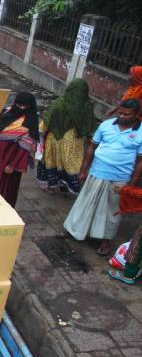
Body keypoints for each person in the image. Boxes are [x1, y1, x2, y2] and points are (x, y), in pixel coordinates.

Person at [64, 99, 142, 256]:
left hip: (120, 178)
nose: (122, 116)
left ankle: (105, 240)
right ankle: (76, 231)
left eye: (127, 114)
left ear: (137, 114)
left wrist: (131, 186)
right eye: (120, 112)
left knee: (111, 211)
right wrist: (83, 170)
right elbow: (92, 146)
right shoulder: (106, 125)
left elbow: (140, 161)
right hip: (97, 172)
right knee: (86, 203)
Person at [37, 79, 98, 194]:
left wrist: (40, 131)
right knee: (70, 162)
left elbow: (47, 119)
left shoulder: (60, 102)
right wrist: (91, 138)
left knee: (52, 160)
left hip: (54, 137)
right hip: (74, 139)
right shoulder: (87, 106)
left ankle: (51, 186)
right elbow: (90, 125)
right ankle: (66, 186)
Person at [0, 92, 39, 207]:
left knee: (3, 187)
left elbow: (25, 147)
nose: (21, 108)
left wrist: (12, 164)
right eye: (19, 105)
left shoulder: (30, 121)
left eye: (24, 106)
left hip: (8, 159)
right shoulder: (6, 111)